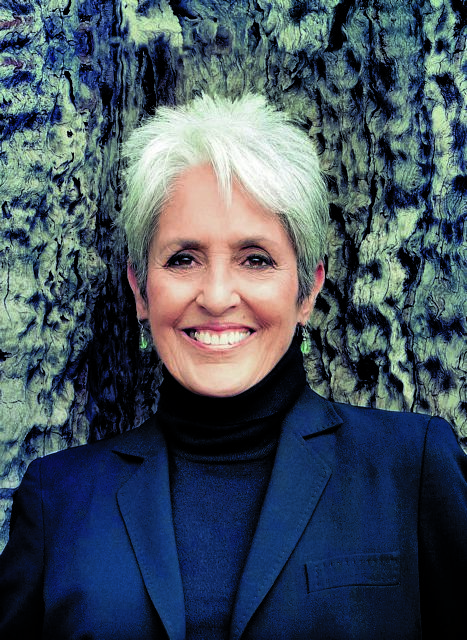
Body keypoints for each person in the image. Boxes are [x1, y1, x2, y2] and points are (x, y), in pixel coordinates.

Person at [0, 94, 466, 640]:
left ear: (307, 290)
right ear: (140, 290)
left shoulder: (411, 468)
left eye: (256, 259)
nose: (218, 297)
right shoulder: (57, 500)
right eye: (183, 259)